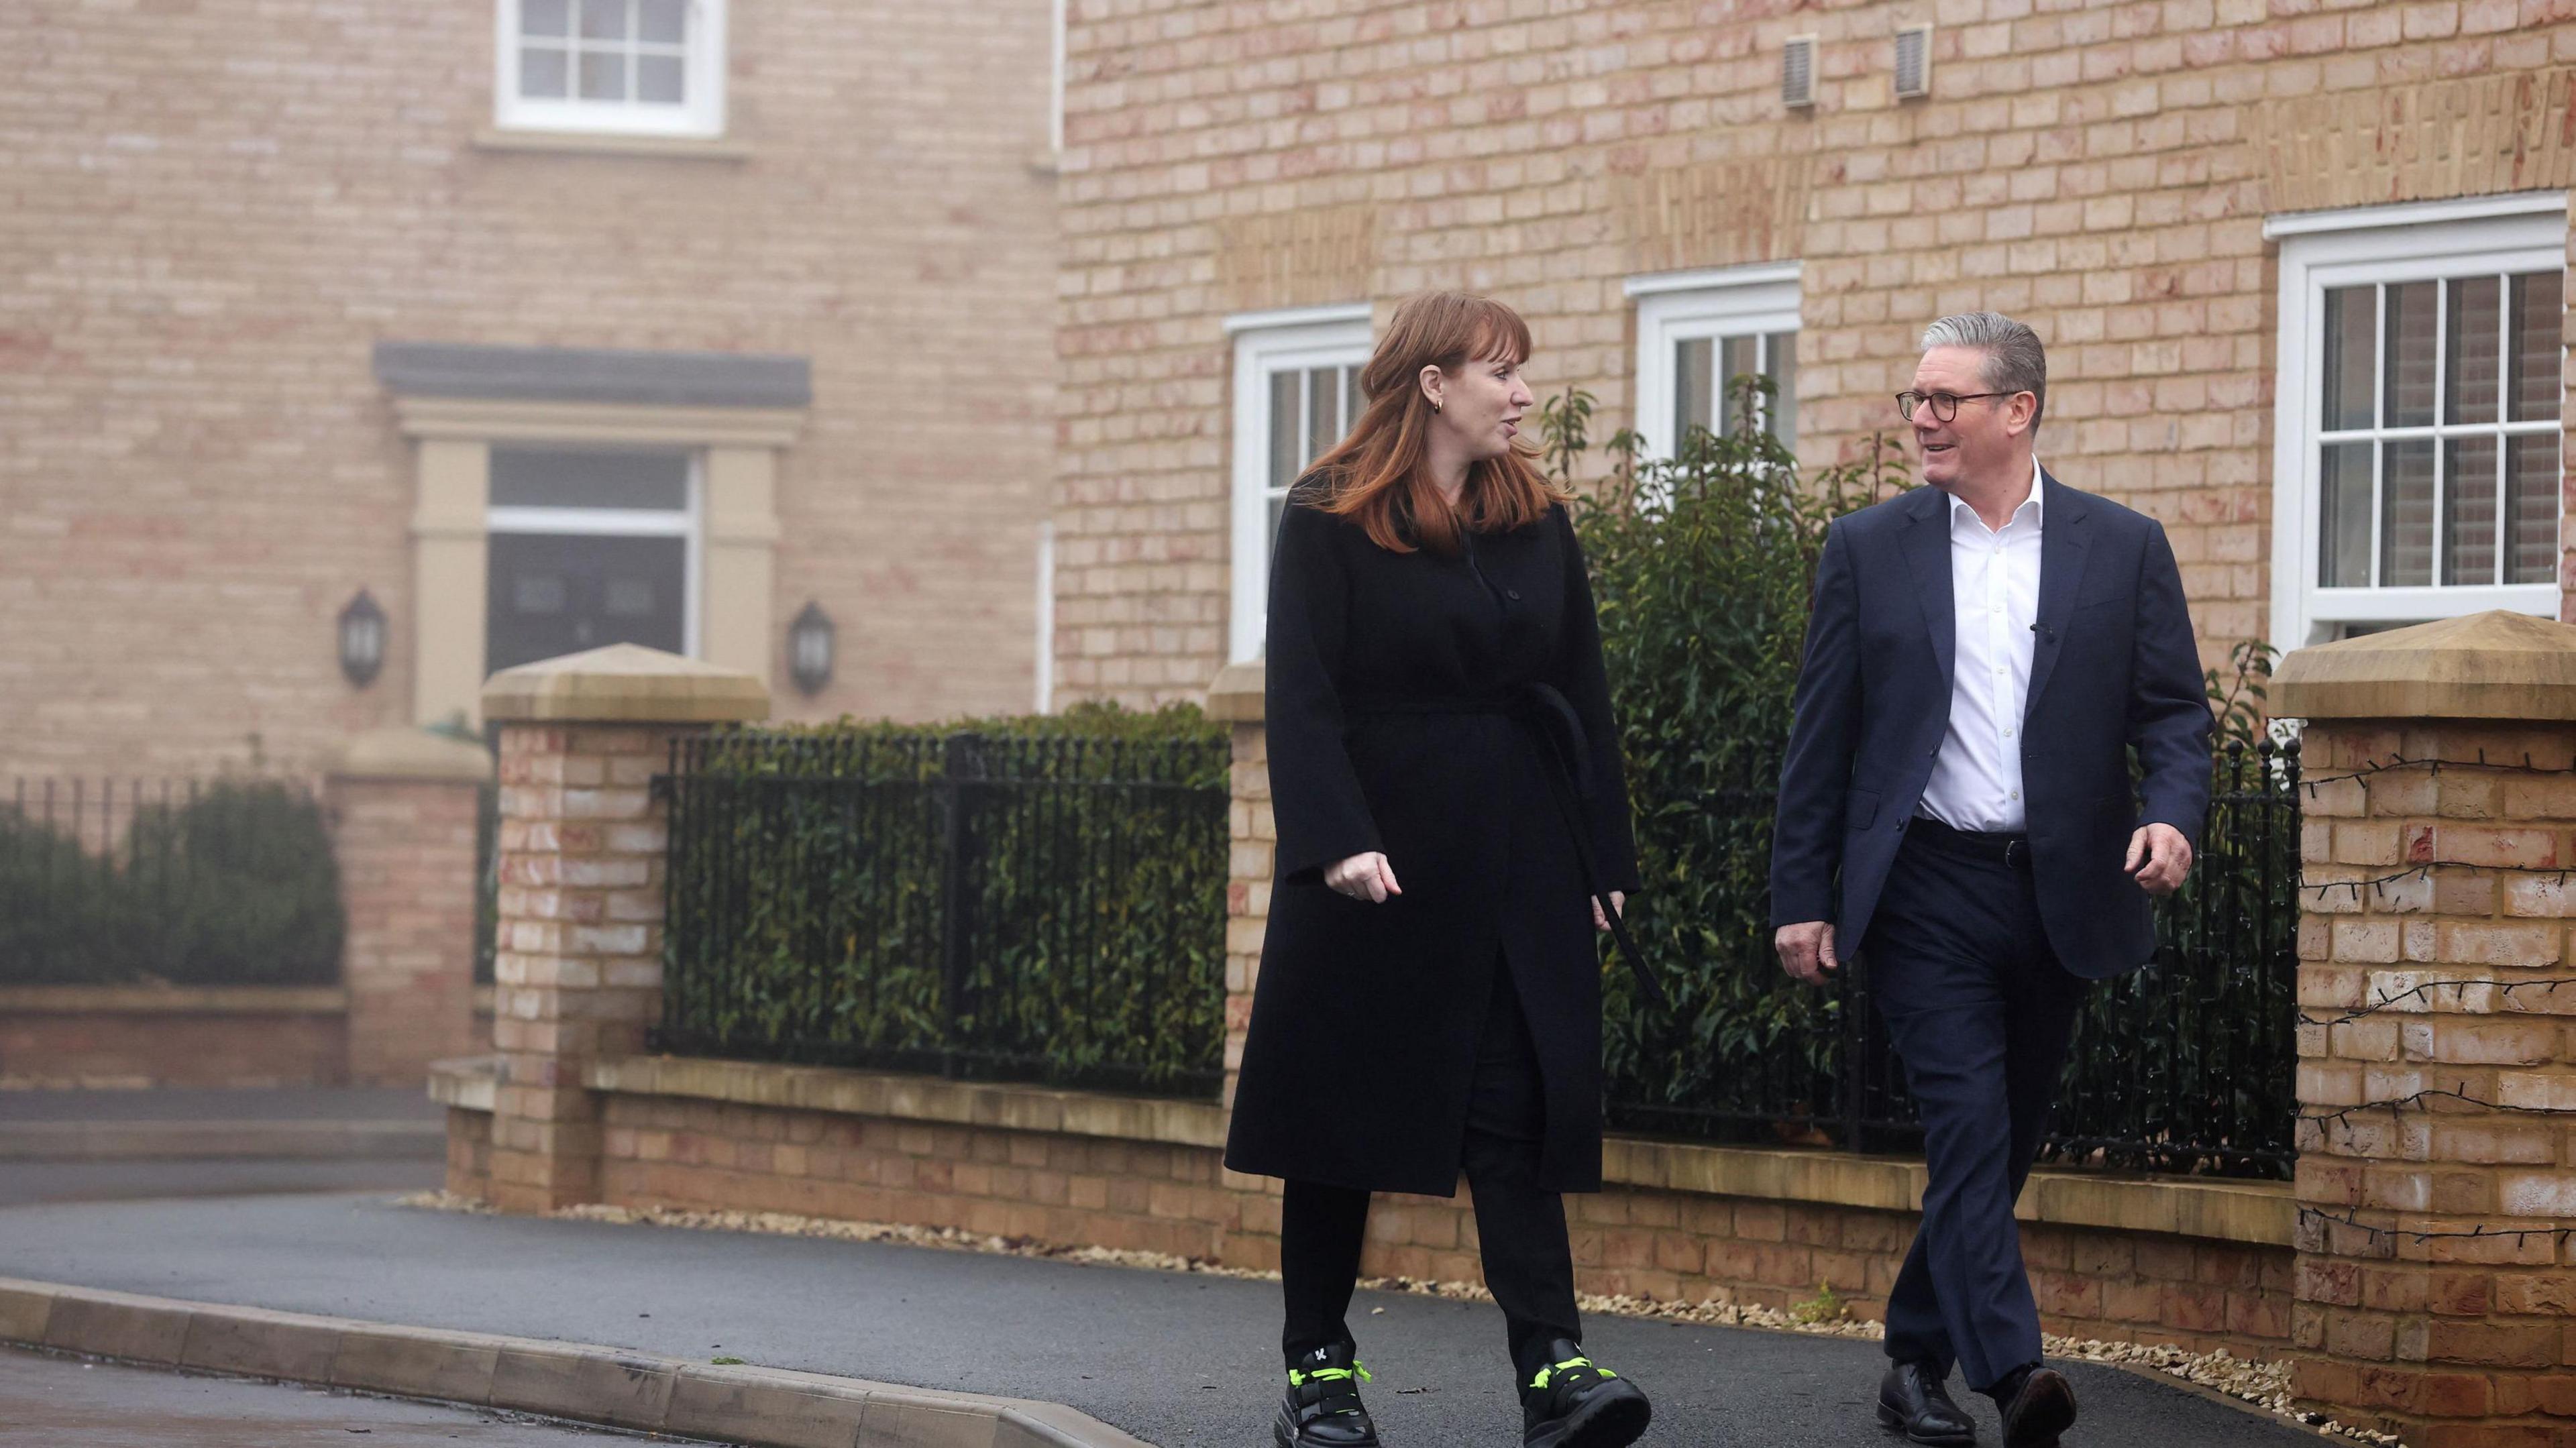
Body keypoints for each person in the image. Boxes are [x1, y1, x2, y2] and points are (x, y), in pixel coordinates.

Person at [1768, 313, 2212, 1447]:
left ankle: (1914, 1359)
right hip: (1923, 887)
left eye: (1945, 400)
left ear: (2017, 410)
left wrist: (2170, 818)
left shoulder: (2124, 546)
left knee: (2003, 1142)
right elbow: (1822, 742)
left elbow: (2172, 715)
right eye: (1914, 398)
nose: (1921, 418)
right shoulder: (1869, 548)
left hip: (2060, 888)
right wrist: (1801, 897)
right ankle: (2016, 1375)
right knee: (1967, 1127)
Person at [1225, 290, 1657, 1448]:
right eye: (1499, 373)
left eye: (1523, 373)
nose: (1522, 394)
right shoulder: (1329, 513)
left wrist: (1602, 858)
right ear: (1432, 383)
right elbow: (1301, 696)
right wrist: (1336, 838)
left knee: (1516, 1112)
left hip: (1519, 847)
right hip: (1379, 856)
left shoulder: (1536, 517)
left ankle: (1554, 1369)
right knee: (1339, 1120)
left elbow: (1582, 695)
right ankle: (1318, 1371)